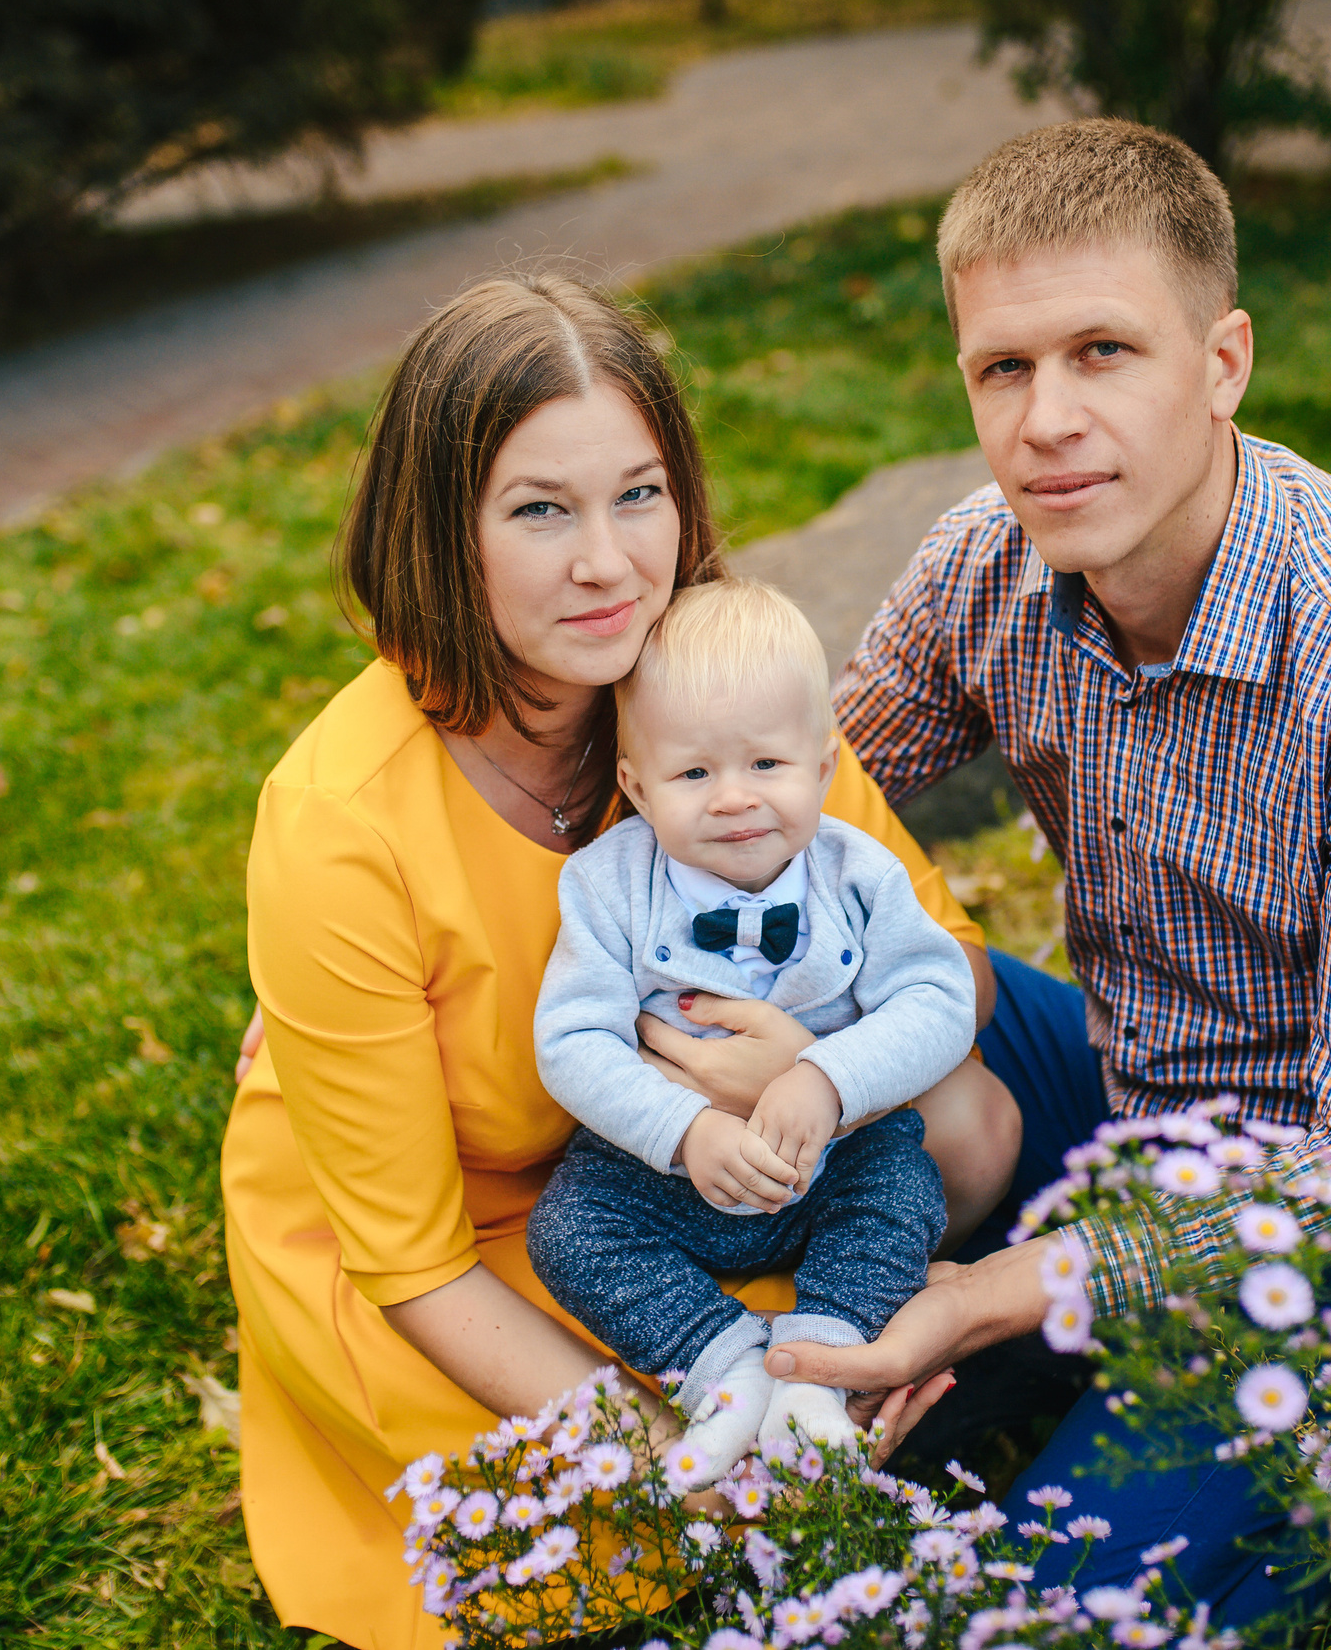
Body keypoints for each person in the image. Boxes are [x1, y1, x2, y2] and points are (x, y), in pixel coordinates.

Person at [762, 118, 1331, 1622]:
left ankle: (1008, 1367)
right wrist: (472, 944)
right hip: (1115, 1088)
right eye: (1004, 368)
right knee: (838, 996)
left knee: (1061, 1603)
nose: (1047, 419)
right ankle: (735, 1339)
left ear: (1225, 363)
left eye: (1105, 351)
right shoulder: (983, 565)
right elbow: (780, 806)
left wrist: (986, 1297)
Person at [219, 271, 1019, 1649]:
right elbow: (415, 1268)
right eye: (541, 509)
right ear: (441, 531)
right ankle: (759, 1404)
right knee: (636, 1527)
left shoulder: (709, 695)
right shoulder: (340, 824)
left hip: (726, 1161)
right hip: (477, 1238)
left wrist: (809, 1063)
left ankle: (829, 1356)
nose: (609, 563)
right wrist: (661, 1459)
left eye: (638, 495)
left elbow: (952, 964)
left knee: (963, 1113)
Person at [527, 578, 977, 1472]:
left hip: (831, 1155)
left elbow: (941, 999)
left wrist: (826, 1077)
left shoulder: (858, 875)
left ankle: (818, 1364)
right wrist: (681, 1128)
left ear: (820, 766)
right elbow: (571, 1038)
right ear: (637, 785)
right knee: (568, 1230)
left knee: (903, 1191)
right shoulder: (606, 884)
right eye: (694, 773)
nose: (734, 798)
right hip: (660, 1172)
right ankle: (722, 1366)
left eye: (766, 766)